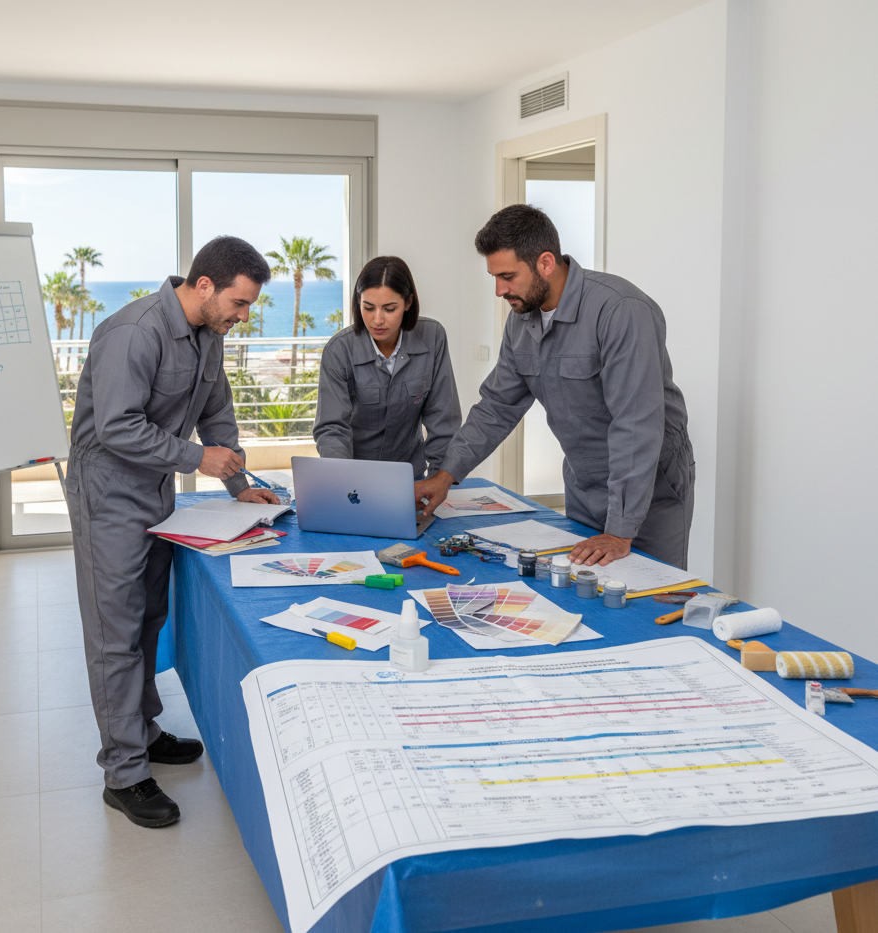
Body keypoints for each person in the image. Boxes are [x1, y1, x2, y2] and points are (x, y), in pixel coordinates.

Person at [66, 236, 279, 828]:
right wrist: (197, 460)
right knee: (115, 630)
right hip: (107, 491)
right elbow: (116, 428)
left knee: (149, 618)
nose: (242, 317)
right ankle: (125, 773)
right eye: (239, 304)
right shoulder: (133, 333)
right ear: (204, 286)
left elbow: (218, 416)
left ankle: (145, 729)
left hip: (156, 487)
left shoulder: (210, 338)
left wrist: (240, 487)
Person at [416, 205, 695, 569]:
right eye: (494, 277)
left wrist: (620, 531)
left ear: (545, 262)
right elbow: (497, 407)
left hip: (649, 487)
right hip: (584, 483)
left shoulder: (620, 310)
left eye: (508, 276)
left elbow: (636, 424)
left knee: (649, 597)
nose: (500, 290)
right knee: (584, 593)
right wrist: (445, 476)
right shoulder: (520, 322)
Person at [313, 255, 461, 478]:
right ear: (358, 302)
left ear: (408, 303)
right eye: (369, 307)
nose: (377, 320)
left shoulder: (433, 337)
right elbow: (332, 429)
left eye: (389, 309)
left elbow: (443, 421)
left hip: (410, 477)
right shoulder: (338, 350)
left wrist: (438, 479)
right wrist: (343, 482)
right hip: (354, 481)